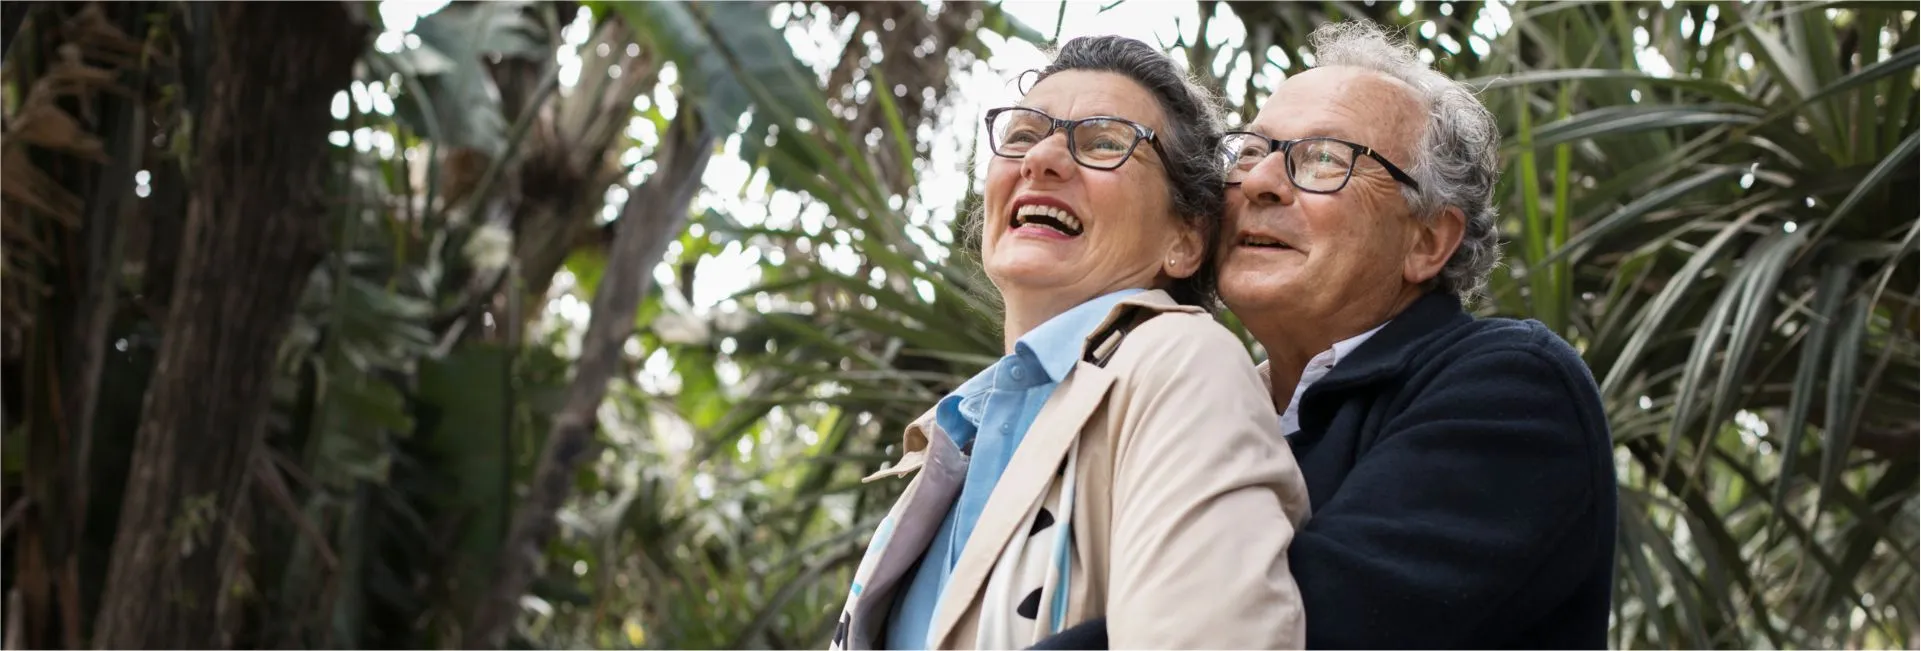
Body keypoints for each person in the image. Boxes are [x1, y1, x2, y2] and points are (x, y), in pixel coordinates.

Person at [1031, 20, 1617, 650]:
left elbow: (1276, 626)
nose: (1259, 182)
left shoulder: (1512, 388)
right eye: (1251, 152)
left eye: (1325, 160)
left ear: (1427, 241)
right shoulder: (1196, 405)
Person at [828, 35, 1310, 650]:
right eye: (1024, 136)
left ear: (1186, 239)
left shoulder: (1182, 361)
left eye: (1105, 142)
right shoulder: (963, 427)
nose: (1043, 159)